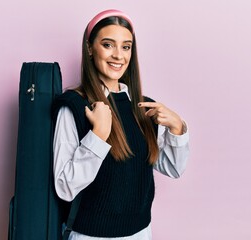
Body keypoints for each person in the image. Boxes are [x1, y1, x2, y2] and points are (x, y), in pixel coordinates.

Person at [52, 9, 190, 240]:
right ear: (89, 48)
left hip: (141, 233)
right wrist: (98, 136)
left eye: (126, 47)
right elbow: (64, 187)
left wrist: (178, 129)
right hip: (91, 236)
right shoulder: (74, 106)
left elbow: (173, 168)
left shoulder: (144, 107)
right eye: (108, 44)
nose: (118, 55)